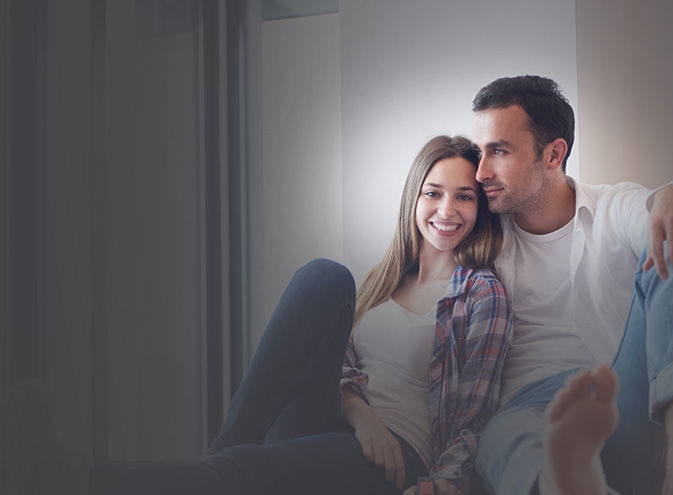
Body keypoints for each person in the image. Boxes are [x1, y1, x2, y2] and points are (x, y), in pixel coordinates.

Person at [87, 135, 513, 495]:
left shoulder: (480, 294)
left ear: (480, 210)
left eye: (464, 197)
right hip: (337, 423)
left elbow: (473, 418)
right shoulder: (381, 284)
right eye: (433, 192)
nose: (446, 210)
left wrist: (441, 484)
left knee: (245, 470)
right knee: (324, 276)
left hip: (397, 457)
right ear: (413, 198)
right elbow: (338, 367)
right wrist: (361, 415)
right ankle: (226, 447)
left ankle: (84, 480)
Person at [467, 75, 673, 495]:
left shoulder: (612, 206)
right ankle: (570, 482)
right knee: (510, 438)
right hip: (525, 411)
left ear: (554, 154)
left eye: (498, 151)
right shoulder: (477, 232)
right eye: (479, 153)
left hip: (620, 401)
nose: (481, 172)